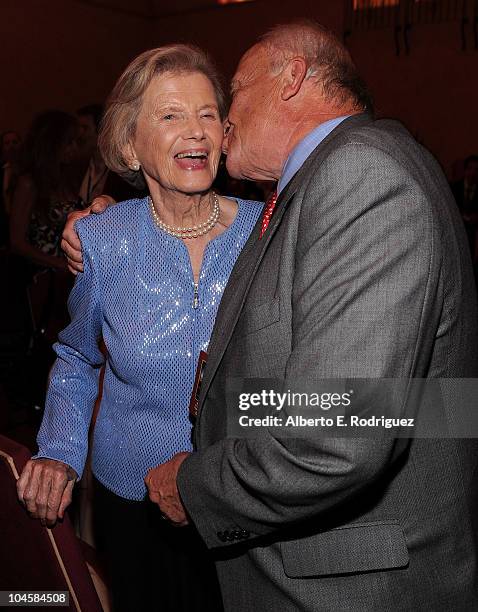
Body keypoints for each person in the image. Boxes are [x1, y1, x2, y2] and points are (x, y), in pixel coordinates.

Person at [60, 21, 478, 612]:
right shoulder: (315, 187)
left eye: (232, 92)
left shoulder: (359, 177)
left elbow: (345, 424)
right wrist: (110, 225)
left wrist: (193, 480)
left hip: (350, 576)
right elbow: (422, 403)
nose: (221, 121)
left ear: (291, 79)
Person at [17, 45, 262, 612]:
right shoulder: (103, 240)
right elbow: (78, 359)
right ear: (130, 143)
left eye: (207, 113)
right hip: (129, 498)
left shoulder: (265, 232)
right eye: (171, 115)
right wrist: (58, 450)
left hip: (234, 492)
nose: (195, 131)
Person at [77, 104, 147, 206]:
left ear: (100, 131)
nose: (80, 134)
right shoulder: (76, 168)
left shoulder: (122, 171)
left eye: (85, 128)